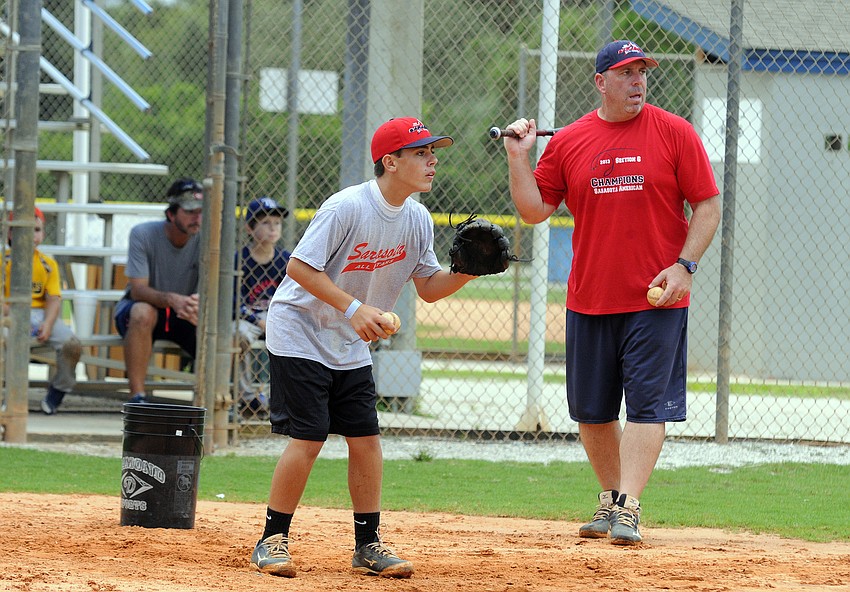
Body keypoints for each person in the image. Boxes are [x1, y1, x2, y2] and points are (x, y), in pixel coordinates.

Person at [502, 40, 721, 545]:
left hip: (657, 295)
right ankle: (610, 500)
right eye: (626, 73)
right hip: (590, 296)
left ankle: (630, 507)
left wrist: (685, 266)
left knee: (647, 406)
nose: (638, 80)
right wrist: (519, 156)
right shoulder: (570, 140)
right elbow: (535, 210)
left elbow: (707, 206)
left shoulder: (674, 133)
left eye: (642, 71)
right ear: (601, 82)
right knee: (593, 411)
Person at [250, 117, 477, 579]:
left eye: (433, 152)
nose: (432, 160)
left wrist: (471, 270)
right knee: (310, 436)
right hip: (300, 329)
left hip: (349, 340)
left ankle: (367, 545)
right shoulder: (347, 207)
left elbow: (430, 288)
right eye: (420, 153)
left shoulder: (416, 218)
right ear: (390, 162)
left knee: (367, 440)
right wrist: (354, 308)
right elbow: (298, 267)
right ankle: (271, 540)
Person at [113, 178, 203, 403]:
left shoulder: (207, 238)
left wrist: (198, 305)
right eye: (190, 211)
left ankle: (218, 401)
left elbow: (213, 288)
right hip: (145, 309)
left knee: (217, 325)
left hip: (185, 312)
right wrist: (173, 299)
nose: (197, 218)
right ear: (171, 214)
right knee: (143, 311)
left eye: (201, 212)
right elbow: (138, 291)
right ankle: (137, 398)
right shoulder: (143, 234)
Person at [4, 207, 82, 415]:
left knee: (71, 344)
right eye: (26, 230)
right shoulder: (4, 262)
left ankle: (58, 391)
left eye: (37, 230)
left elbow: (53, 299)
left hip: (39, 315)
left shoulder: (48, 264)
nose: (32, 235)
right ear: (11, 233)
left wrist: (47, 324)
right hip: (9, 314)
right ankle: (8, 397)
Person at [234, 196, 291, 417]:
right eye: (265, 223)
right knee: (238, 335)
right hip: (249, 318)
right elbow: (233, 302)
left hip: (279, 317)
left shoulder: (286, 260)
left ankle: (285, 398)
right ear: (250, 228)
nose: (272, 228)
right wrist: (257, 320)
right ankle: (248, 399)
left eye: (276, 223)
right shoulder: (240, 259)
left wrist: (276, 320)